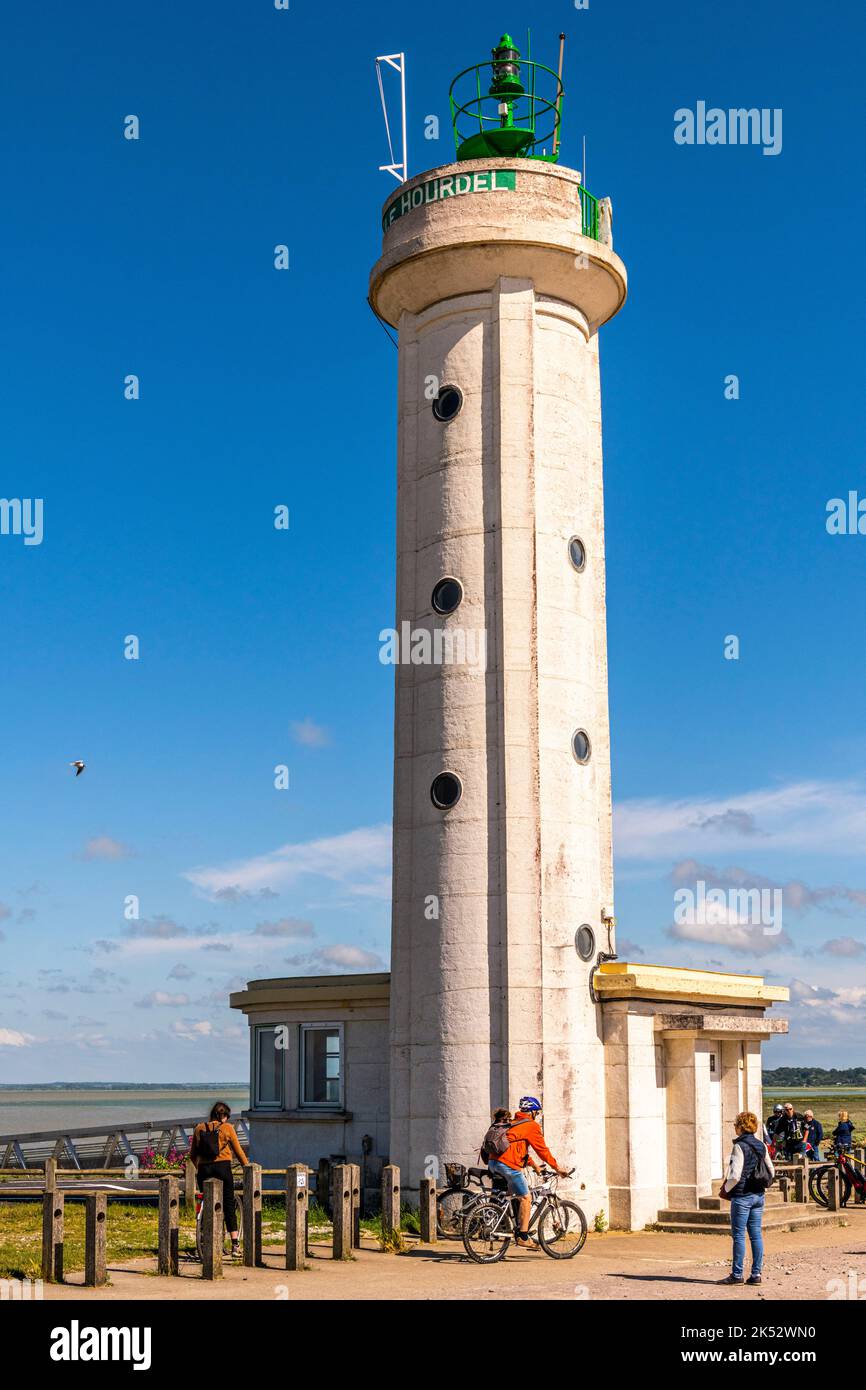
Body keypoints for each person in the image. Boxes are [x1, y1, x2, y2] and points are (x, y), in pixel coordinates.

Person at [485, 1095, 570, 1250]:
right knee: (526, 1197)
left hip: (493, 1162)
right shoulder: (531, 1126)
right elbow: (542, 1150)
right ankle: (523, 1237)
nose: (536, 1115)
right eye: (536, 1112)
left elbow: (519, 1149)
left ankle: (511, 1226)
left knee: (515, 1196)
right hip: (508, 1165)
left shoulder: (512, 1123)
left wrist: (535, 1166)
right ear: (532, 1112)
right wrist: (557, 1168)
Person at [719, 1110, 774, 1286]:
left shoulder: (739, 1146)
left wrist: (725, 1190)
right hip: (759, 1195)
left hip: (742, 1196)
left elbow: (735, 1175)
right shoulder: (761, 1145)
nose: (734, 1127)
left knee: (739, 1236)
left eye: (736, 1124)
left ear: (741, 1127)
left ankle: (737, 1275)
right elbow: (771, 1171)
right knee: (756, 1235)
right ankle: (756, 1274)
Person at [190, 1100, 249, 1258]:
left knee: (207, 1202)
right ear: (222, 1116)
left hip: (204, 1170)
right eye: (226, 1116)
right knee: (228, 1203)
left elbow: (192, 1155)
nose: (227, 1119)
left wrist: (200, 1167)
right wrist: (248, 1168)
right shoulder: (227, 1128)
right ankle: (235, 1245)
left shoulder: (199, 1128)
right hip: (223, 1168)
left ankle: (205, 1239)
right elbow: (239, 1152)